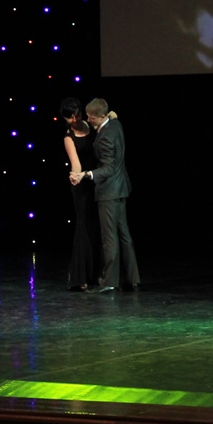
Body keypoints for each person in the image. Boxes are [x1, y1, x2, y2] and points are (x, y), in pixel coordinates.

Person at [70, 98, 140, 293]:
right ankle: (132, 278)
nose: (88, 120)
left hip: (109, 191)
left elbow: (108, 168)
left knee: (110, 238)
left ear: (102, 117)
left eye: (92, 118)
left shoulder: (106, 136)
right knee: (124, 234)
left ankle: (109, 281)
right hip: (121, 188)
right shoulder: (115, 124)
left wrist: (86, 174)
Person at [60, 97, 102, 291]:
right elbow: (75, 163)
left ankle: (98, 274)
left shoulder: (90, 124)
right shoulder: (69, 137)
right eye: (70, 118)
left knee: (98, 227)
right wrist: (77, 176)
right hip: (82, 184)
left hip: (98, 181)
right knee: (84, 226)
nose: (74, 120)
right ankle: (81, 277)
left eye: (76, 116)